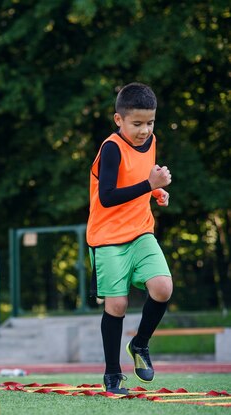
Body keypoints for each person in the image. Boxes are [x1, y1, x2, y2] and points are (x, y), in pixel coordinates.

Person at [87, 82, 173, 394]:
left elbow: (138, 180)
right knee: (118, 304)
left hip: (140, 231)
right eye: (137, 124)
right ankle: (112, 375)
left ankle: (140, 345)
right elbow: (108, 196)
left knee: (163, 287)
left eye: (150, 123)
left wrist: (156, 190)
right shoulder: (111, 148)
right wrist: (148, 186)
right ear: (119, 120)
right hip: (108, 237)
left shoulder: (151, 142)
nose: (144, 130)